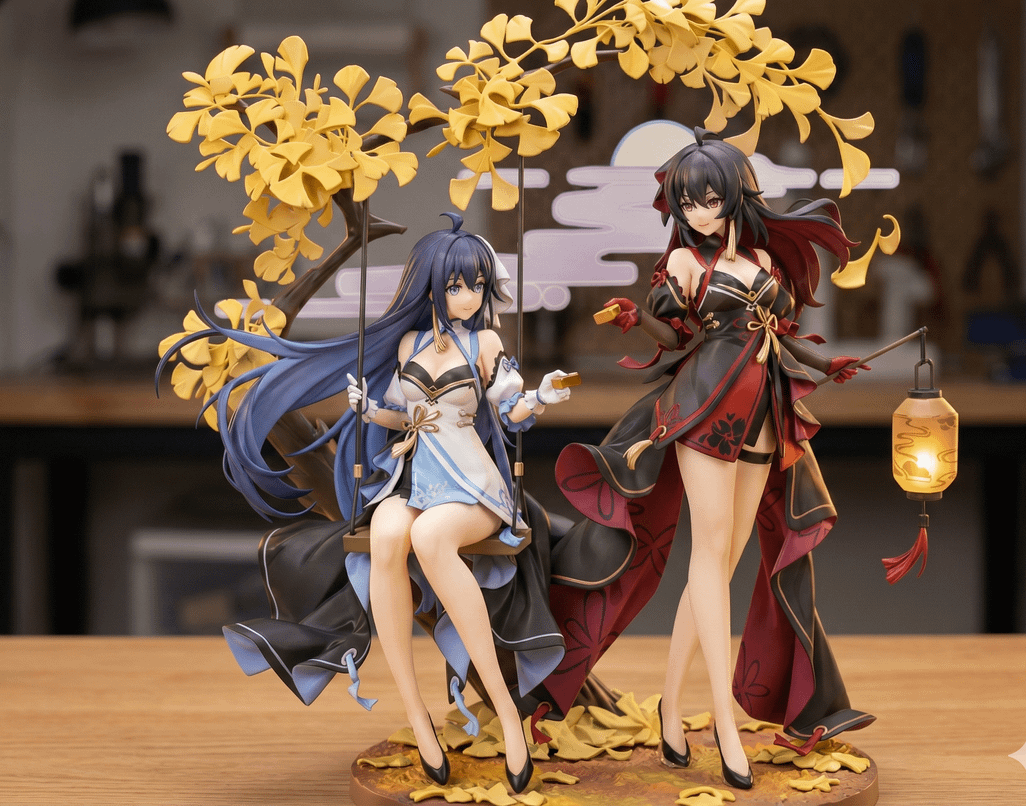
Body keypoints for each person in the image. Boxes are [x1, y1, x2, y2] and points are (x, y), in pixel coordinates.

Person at [170, 214, 572, 794]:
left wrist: (541, 397)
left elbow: (510, 413)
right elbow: (401, 416)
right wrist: (367, 409)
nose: (468, 296)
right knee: (384, 536)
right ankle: (416, 715)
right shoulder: (409, 344)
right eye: (456, 285)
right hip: (414, 478)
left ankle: (508, 715)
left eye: (477, 285)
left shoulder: (484, 342)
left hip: (472, 485)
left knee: (430, 537)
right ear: (431, 288)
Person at [540, 130, 875, 790]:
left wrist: (826, 363)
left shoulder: (761, 258)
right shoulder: (685, 264)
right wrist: (637, 318)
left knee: (721, 565)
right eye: (687, 203)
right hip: (705, 411)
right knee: (711, 555)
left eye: (708, 200)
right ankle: (723, 721)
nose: (696, 212)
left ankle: (671, 710)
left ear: (735, 196)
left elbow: (777, 334)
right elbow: (675, 336)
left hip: (763, 411)